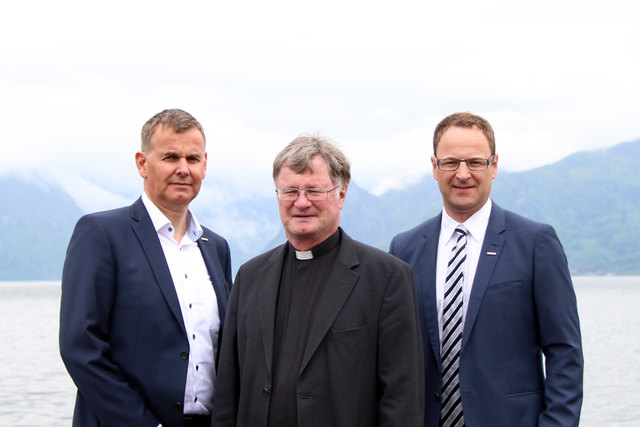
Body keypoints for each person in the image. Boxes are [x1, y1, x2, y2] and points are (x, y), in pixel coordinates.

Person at [212, 135, 424, 427]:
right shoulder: (250, 277)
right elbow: (227, 392)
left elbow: (402, 398)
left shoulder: (386, 278)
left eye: (314, 191)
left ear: (341, 194)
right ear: (277, 195)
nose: (301, 202)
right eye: (290, 191)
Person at [390, 112, 583, 427]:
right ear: (434, 168)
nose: (463, 174)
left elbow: (565, 352)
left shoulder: (535, 243)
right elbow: (394, 356)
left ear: (494, 166)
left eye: (475, 162)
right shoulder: (405, 249)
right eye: (450, 162)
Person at [59, 109, 233, 427]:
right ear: (142, 163)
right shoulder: (101, 234)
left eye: (192, 159)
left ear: (204, 165)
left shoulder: (216, 247)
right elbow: (81, 346)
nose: (183, 169)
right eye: (170, 157)